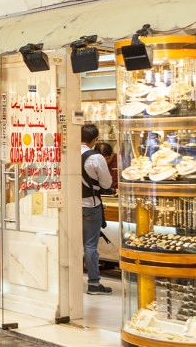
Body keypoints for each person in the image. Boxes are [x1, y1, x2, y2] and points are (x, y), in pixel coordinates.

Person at [80, 124, 113, 295]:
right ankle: (93, 283)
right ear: (95, 140)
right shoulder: (96, 158)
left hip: (71, 205)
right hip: (90, 205)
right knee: (90, 245)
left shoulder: (67, 152)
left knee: (71, 243)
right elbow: (106, 183)